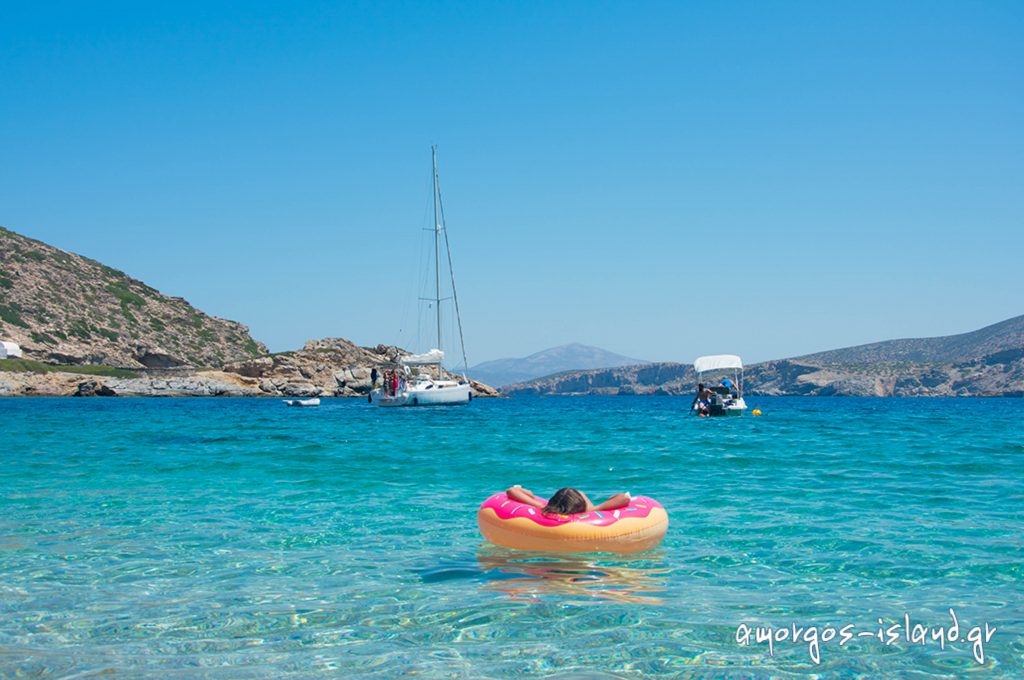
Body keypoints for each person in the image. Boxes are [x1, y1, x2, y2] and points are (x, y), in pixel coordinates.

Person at [505, 485, 631, 515]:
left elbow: (511, 491)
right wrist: (596, 507)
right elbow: (625, 497)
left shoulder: (544, 508)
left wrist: (529, 494)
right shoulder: (589, 511)